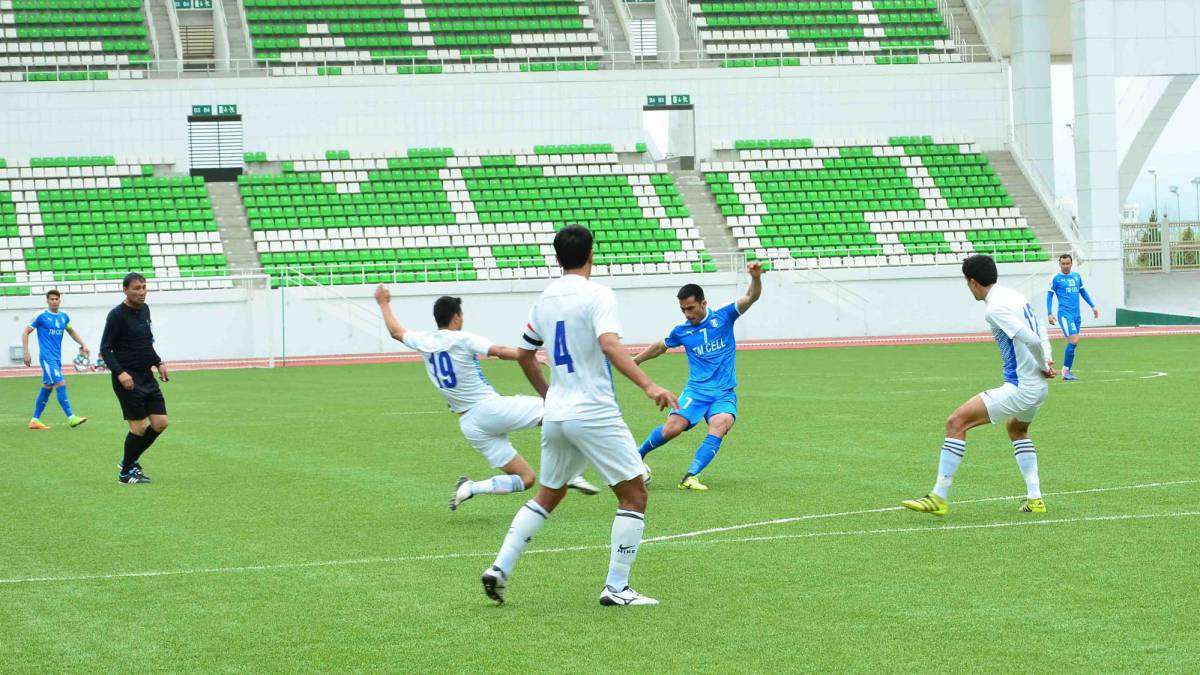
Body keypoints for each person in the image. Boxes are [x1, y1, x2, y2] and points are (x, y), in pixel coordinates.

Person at [480, 225, 678, 607]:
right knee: (634, 495)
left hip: (556, 413)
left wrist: (548, 393)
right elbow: (609, 343)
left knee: (549, 494)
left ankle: (499, 568)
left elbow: (524, 354)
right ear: (592, 254)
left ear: (557, 258)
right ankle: (616, 588)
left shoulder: (544, 299)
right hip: (593, 409)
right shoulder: (598, 294)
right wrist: (649, 386)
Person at [374, 288, 598, 510]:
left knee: (526, 478)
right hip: (489, 409)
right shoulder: (463, 338)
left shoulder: (423, 340)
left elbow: (395, 331)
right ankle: (572, 473)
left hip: (470, 425)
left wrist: (384, 304)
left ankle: (471, 487)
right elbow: (498, 350)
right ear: (456, 317)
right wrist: (529, 355)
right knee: (561, 409)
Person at [901, 254, 1055, 516]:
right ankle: (1035, 498)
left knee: (956, 422)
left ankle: (939, 496)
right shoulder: (1016, 296)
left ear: (972, 282)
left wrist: (1042, 362)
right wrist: (1049, 360)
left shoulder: (995, 308)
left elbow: (1030, 338)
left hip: (1021, 387)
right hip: (1038, 387)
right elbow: (1040, 329)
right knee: (1017, 429)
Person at [632, 262, 765, 490]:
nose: (687, 313)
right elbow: (660, 346)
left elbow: (751, 297)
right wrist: (634, 361)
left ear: (703, 303)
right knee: (672, 428)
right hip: (696, 391)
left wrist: (755, 277)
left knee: (720, 424)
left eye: (691, 308)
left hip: (723, 392)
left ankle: (691, 476)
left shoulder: (724, 317)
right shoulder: (681, 331)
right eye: (683, 309)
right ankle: (634, 458)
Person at [100, 273, 169, 484]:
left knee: (160, 423)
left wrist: (158, 362)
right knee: (138, 428)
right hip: (127, 380)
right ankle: (125, 474)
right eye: (136, 288)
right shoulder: (116, 315)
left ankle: (128, 461)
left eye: (144, 287)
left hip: (146, 377)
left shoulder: (145, 310)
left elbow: (146, 343)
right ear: (125, 290)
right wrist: (120, 373)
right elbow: (105, 349)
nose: (141, 292)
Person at [22, 289, 89, 430]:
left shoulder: (63, 317)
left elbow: (71, 331)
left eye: (56, 299)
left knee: (47, 387)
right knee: (60, 383)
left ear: (60, 300)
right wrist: (26, 352)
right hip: (47, 357)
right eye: (51, 299)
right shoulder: (40, 316)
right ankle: (71, 417)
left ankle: (35, 420)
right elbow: (25, 332)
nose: (54, 301)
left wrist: (83, 344)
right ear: (47, 301)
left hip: (57, 358)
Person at [1046, 253, 1099, 381]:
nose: (1065, 266)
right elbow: (1049, 295)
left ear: (1071, 264)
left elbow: (1083, 292)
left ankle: (1067, 372)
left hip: (1076, 315)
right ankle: (1065, 371)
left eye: (1067, 263)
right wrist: (1049, 313)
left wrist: (1093, 306)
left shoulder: (1076, 277)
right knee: (1074, 340)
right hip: (1065, 314)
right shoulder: (1056, 278)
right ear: (1059, 264)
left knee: (1072, 343)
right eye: (1063, 264)